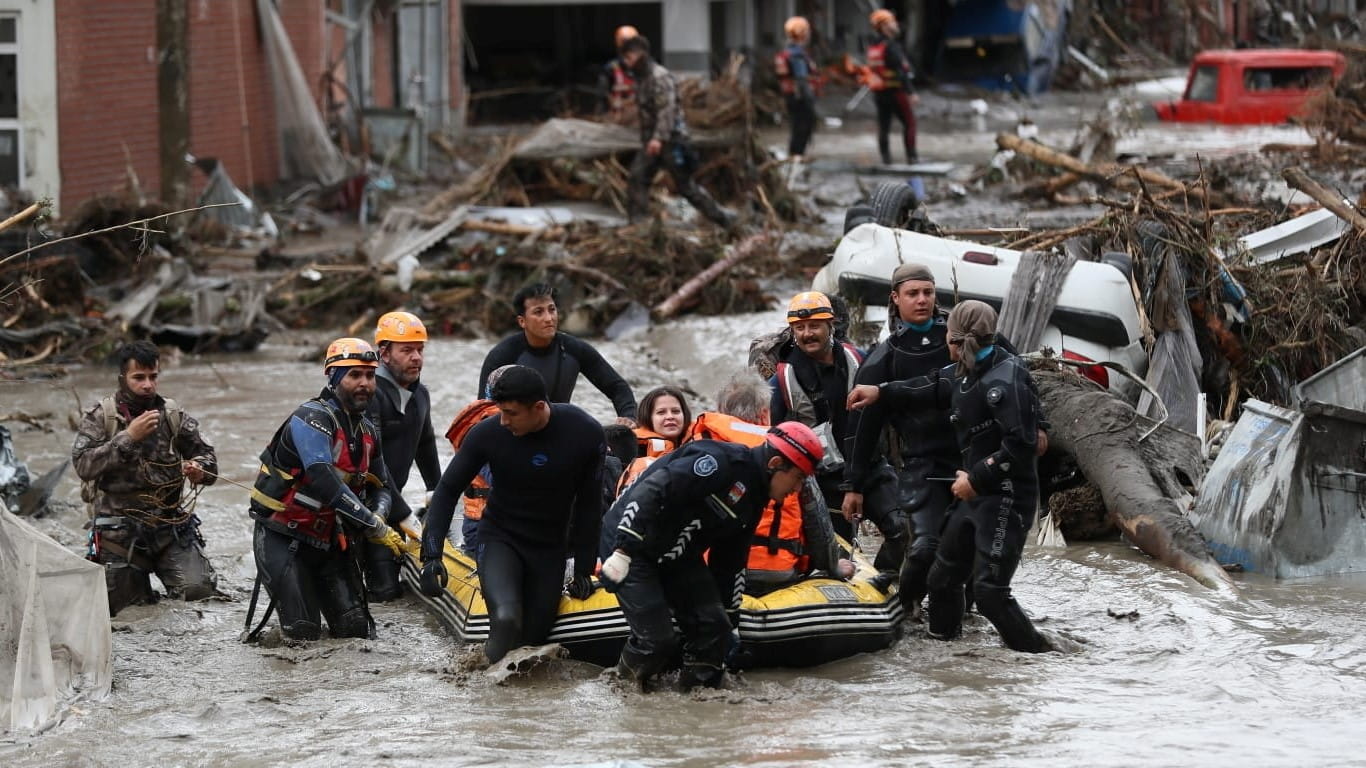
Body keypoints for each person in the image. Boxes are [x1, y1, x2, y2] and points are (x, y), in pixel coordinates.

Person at [846, 301, 1055, 652]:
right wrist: (881, 391)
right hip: (972, 495)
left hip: (1006, 497)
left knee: (990, 593)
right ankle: (946, 653)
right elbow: (929, 385)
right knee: (941, 579)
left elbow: (1022, 445)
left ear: (955, 338)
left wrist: (975, 479)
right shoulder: (962, 370)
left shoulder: (1007, 376)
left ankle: (1042, 655)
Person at [600, 421, 823, 690]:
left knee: (714, 630)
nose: (797, 489)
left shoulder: (756, 496)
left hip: (677, 552)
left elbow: (730, 559)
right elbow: (653, 490)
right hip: (632, 542)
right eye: (798, 478)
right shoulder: (720, 463)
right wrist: (623, 550)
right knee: (656, 641)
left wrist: (730, 620)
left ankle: (694, 699)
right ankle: (618, 691)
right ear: (776, 463)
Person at [419, 366, 606, 665]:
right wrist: (431, 556)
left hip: (549, 548)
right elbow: (446, 490)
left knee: (534, 639)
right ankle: (480, 689)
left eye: (511, 413)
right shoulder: (488, 433)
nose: (503, 421)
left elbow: (589, 504)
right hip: (500, 539)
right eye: (500, 411)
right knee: (506, 619)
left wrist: (584, 568)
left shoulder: (585, 432)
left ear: (539, 407)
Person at [247, 338, 405, 641]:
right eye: (354, 375)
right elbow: (322, 477)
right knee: (303, 636)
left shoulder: (367, 430)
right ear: (332, 378)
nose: (365, 384)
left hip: (331, 543)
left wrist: (380, 517)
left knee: (357, 633)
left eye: (370, 376)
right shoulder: (311, 418)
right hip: (284, 538)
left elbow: (383, 486)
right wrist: (371, 524)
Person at [843, 263, 958, 617]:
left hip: (969, 461)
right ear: (895, 299)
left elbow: (1014, 376)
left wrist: (1039, 426)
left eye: (928, 292)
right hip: (921, 464)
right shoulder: (884, 358)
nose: (922, 300)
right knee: (923, 548)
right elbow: (864, 429)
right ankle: (905, 603)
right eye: (913, 294)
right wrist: (854, 485)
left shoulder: (960, 338)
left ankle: (951, 623)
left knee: (964, 555)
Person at [72, 340, 219, 616]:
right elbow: (83, 465)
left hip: (169, 530)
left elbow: (209, 460)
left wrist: (200, 469)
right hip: (117, 534)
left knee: (199, 594)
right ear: (122, 379)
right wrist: (128, 438)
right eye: (139, 377)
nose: (148, 385)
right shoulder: (101, 417)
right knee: (124, 613)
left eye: (153, 377)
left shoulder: (173, 415)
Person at [769, 291, 907, 576]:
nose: (808, 334)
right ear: (792, 331)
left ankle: (887, 580)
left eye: (815, 326)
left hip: (871, 470)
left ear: (830, 325)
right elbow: (770, 439)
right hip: (822, 482)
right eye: (800, 328)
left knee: (902, 529)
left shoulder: (861, 360)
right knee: (837, 554)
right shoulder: (781, 380)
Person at [686, 372, 846, 591]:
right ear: (764, 414)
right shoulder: (791, 453)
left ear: (721, 413)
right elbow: (817, 521)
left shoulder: (700, 446)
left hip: (707, 568)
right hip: (774, 571)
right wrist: (832, 565)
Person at [618, 34, 737, 230]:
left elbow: (667, 111)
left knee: (685, 187)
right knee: (637, 177)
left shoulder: (659, 77)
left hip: (671, 141)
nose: (626, 63)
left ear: (639, 55)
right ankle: (637, 223)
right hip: (652, 142)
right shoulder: (642, 78)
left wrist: (658, 138)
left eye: (628, 57)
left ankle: (723, 219)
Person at [362, 310, 440, 601]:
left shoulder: (421, 395)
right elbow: (372, 462)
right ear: (383, 353)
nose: (417, 358)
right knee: (384, 592)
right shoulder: (368, 394)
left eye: (420, 350)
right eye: (406, 350)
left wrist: (437, 492)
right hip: (361, 504)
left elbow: (426, 444)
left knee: (397, 591)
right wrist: (404, 513)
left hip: (391, 500)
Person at [478, 283, 637, 425]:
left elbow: (617, 387)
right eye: (538, 312)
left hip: (559, 432)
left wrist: (628, 417)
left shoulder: (575, 349)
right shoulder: (503, 355)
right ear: (522, 321)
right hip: (517, 434)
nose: (549, 318)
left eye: (552, 310)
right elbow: (483, 409)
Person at [444, 364, 517, 560]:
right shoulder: (484, 429)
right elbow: (497, 476)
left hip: (513, 520)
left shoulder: (525, 420)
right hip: (482, 520)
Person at [867, 9, 919, 165]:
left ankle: (886, 159)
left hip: (879, 93)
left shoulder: (874, 46)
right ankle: (912, 157)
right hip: (895, 91)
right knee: (909, 123)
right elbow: (901, 70)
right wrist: (911, 92)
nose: (896, 24)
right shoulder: (891, 46)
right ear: (884, 26)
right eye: (892, 22)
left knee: (884, 126)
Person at [775, 16, 818, 164]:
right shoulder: (797, 54)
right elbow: (801, 78)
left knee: (795, 127)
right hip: (800, 97)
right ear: (802, 33)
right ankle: (797, 157)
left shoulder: (787, 51)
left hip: (790, 95)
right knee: (802, 128)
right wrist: (809, 101)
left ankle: (793, 157)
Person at [599, 25, 640, 123]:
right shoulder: (611, 68)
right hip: (618, 117)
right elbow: (603, 93)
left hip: (639, 117)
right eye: (625, 42)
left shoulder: (645, 68)